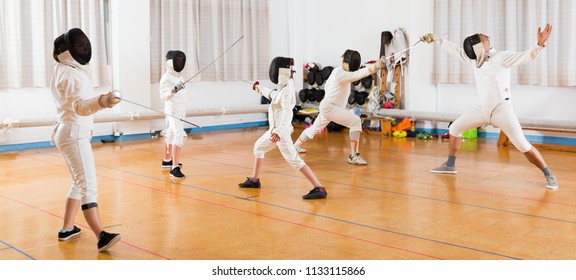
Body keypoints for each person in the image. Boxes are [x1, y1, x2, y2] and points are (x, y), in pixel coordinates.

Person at [422, 23, 558, 189]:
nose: (485, 42)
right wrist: (438, 40)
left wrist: (539, 44)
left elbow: (527, 56)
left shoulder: (500, 57)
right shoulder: (475, 61)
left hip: (502, 110)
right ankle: (450, 165)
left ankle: (548, 173)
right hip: (483, 109)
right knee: (454, 128)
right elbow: (457, 51)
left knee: (522, 144)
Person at [51, 27, 122, 252]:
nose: (84, 48)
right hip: (74, 132)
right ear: (67, 50)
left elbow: (77, 103)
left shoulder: (63, 69)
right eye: (79, 45)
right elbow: (81, 107)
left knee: (78, 182)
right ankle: (101, 235)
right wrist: (103, 102)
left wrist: (101, 100)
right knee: (88, 184)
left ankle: (67, 228)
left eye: (84, 44)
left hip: (69, 131)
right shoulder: (71, 74)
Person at [239, 57, 327, 199]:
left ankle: (319, 188)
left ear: (282, 71)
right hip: (274, 131)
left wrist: (279, 132)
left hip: (281, 132)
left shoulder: (288, 90)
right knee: (259, 147)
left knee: (294, 160)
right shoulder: (283, 87)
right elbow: (274, 95)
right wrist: (260, 89)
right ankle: (254, 180)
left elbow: (287, 112)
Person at [293, 50, 385, 165]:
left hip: (328, 107)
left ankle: (295, 147)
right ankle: (354, 156)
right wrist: (375, 67)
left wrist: (375, 67)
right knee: (355, 121)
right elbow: (358, 75)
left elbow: (328, 86)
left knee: (313, 129)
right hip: (330, 108)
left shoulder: (337, 71)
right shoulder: (341, 74)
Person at [160, 50, 187, 178]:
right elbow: (164, 96)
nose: (179, 63)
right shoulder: (166, 77)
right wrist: (174, 90)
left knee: (171, 133)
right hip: (173, 110)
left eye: (181, 61)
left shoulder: (179, 76)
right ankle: (174, 168)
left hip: (180, 109)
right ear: (171, 62)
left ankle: (167, 160)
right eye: (177, 61)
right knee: (178, 134)